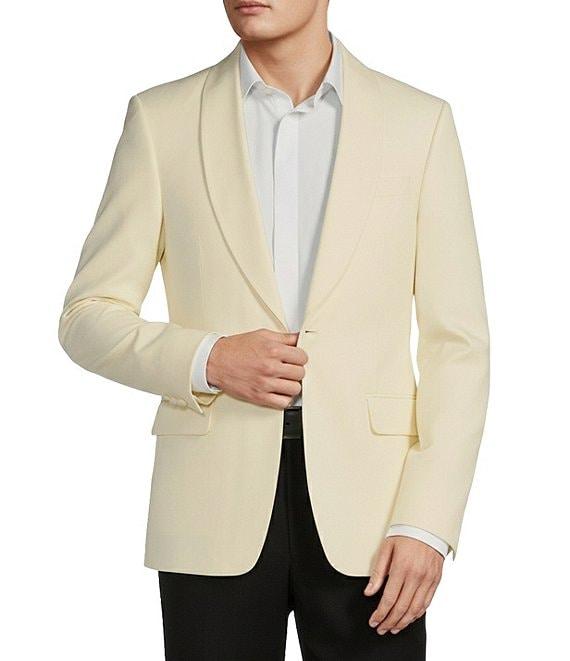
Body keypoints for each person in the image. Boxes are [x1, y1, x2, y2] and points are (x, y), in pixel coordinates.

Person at [59, 1, 490, 658]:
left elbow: (458, 345)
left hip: (376, 512)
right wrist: (209, 358)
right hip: (210, 502)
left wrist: (428, 521)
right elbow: (87, 315)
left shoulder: (417, 123)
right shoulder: (162, 119)